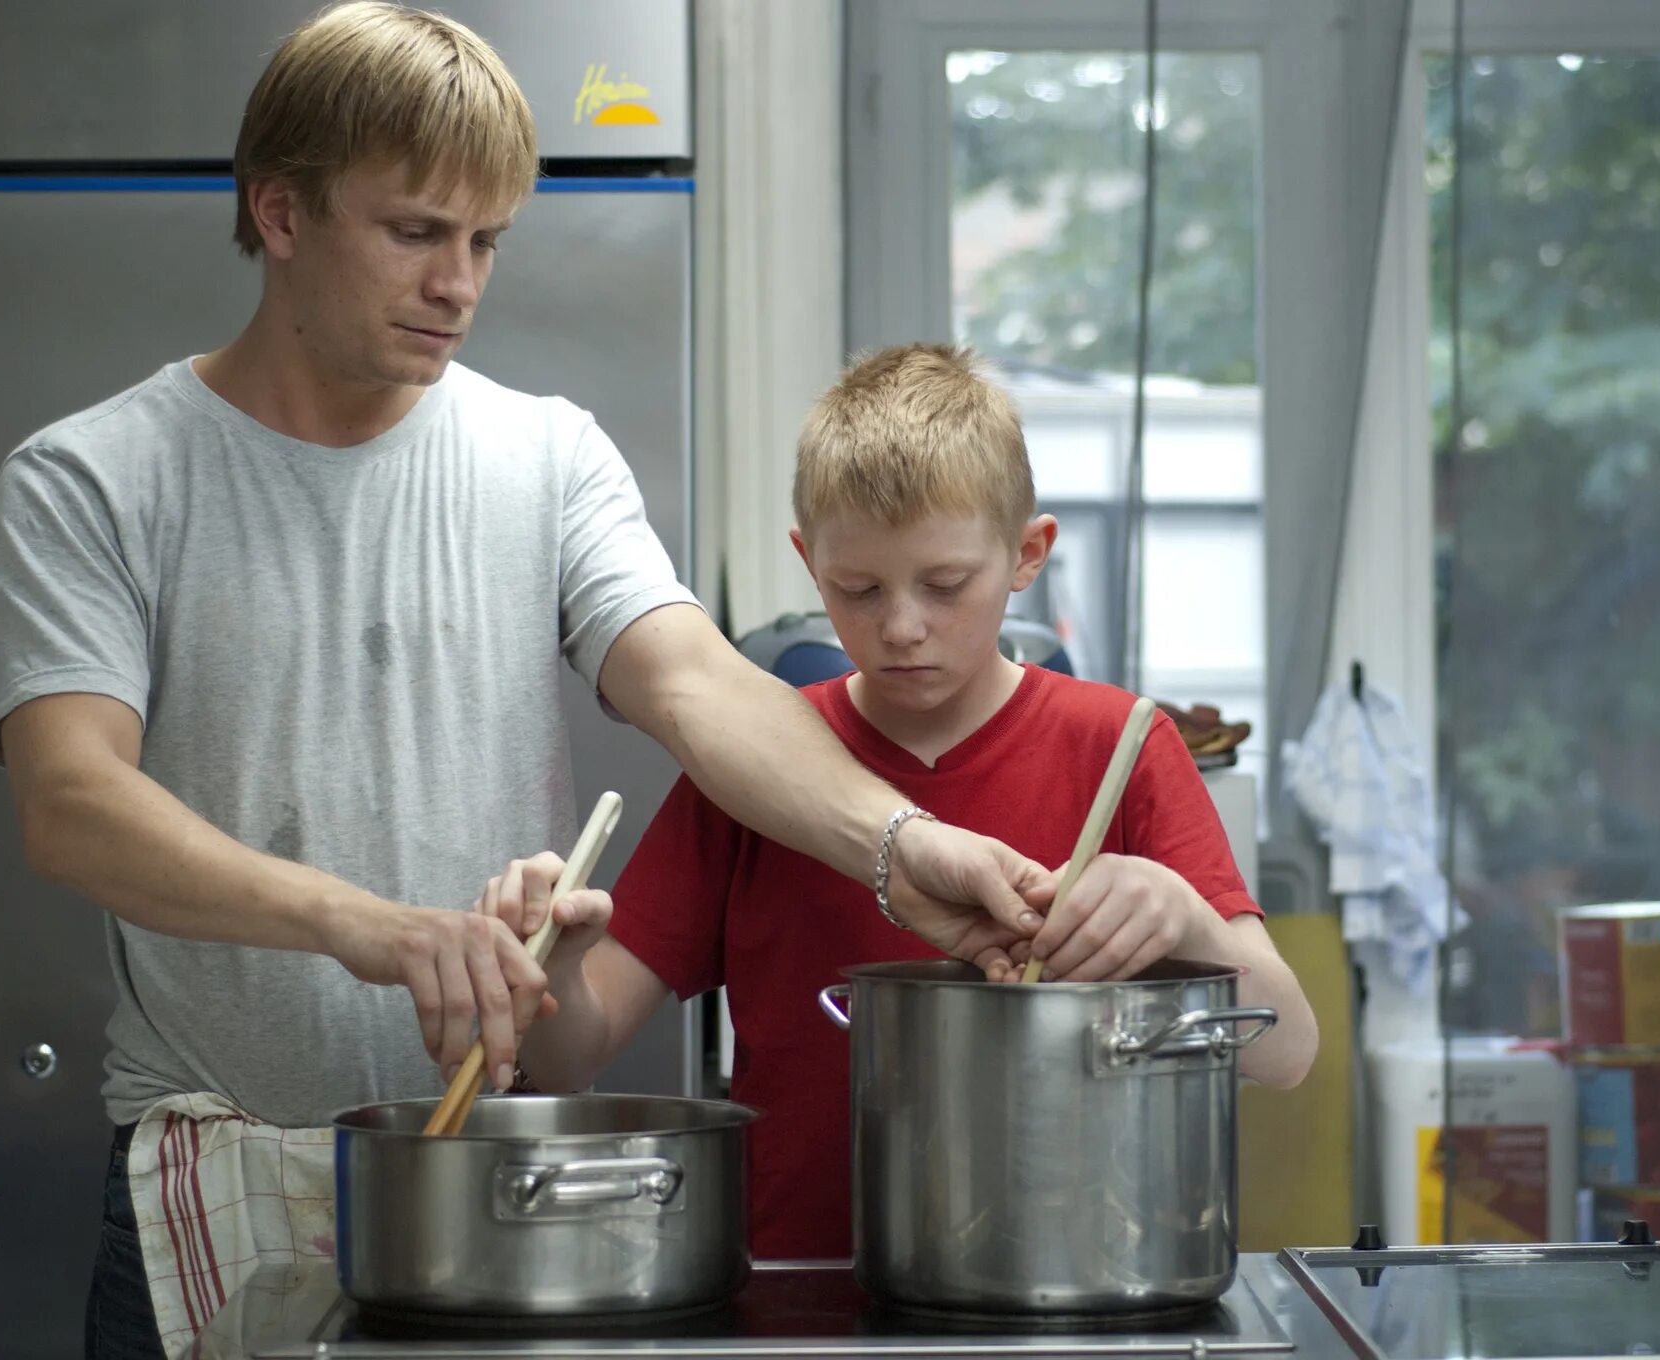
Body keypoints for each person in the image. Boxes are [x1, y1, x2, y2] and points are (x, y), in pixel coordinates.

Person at [0, 8, 1052, 1356]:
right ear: (282, 212)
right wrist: (372, 924)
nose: (459, 282)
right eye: (417, 232)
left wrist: (905, 844)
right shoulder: (93, 479)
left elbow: (698, 688)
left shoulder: (546, 457)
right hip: (214, 1170)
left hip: (492, 1184)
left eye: (487, 240)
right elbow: (70, 802)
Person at [492, 344, 1321, 1261]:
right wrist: (553, 974)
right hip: (798, 1288)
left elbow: (1287, 1054)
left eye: (944, 585)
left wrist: (1188, 921)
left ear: (1027, 554)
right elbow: (572, 1057)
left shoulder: (1120, 746)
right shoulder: (756, 762)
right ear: (810, 564)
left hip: (1070, 1281)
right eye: (859, 589)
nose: (901, 627)